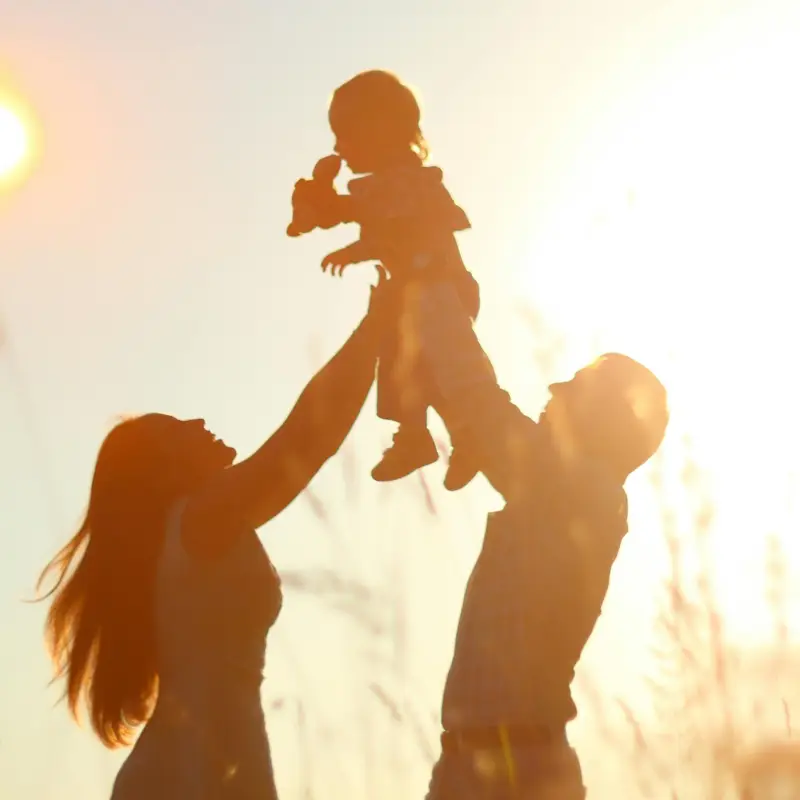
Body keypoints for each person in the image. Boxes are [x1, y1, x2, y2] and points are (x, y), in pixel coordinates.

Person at [35, 281, 391, 800]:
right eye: (176, 428)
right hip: (194, 774)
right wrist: (374, 327)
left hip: (197, 768)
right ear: (161, 471)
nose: (198, 421)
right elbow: (307, 439)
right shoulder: (201, 519)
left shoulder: (186, 536)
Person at [410, 286, 669, 798]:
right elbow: (478, 410)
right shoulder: (562, 491)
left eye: (573, 387)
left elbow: (480, 403)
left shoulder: (579, 489)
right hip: (477, 766)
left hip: (516, 775)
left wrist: (430, 284)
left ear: (603, 420)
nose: (552, 391)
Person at [287, 69, 490, 490]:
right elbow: (377, 223)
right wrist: (335, 222)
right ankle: (427, 436)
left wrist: (344, 226)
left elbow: (398, 224)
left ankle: (454, 434)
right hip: (417, 295)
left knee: (434, 368)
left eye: (346, 133)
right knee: (408, 367)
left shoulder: (411, 180)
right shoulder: (385, 187)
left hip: (440, 291)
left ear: (385, 127)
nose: (339, 146)